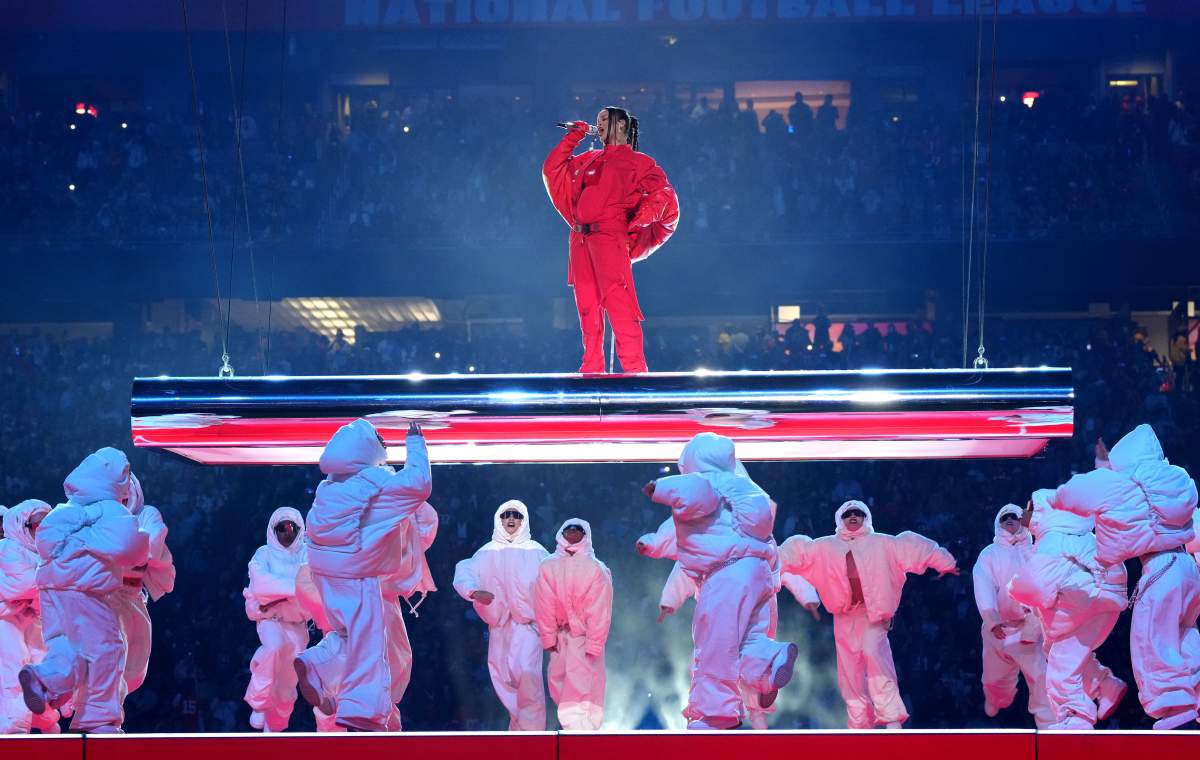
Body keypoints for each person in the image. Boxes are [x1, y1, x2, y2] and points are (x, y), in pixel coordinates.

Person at [642, 432, 797, 730]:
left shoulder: (706, 482)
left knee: (715, 645)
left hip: (725, 574)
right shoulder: (745, 487)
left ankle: (717, 715)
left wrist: (660, 488)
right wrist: (653, 542)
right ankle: (770, 659)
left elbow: (693, 496)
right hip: (757, 571)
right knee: (744, 642)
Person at [1051, 426, 1200, 730]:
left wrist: (1103, 470)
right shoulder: (1176, 478)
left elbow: (1068, 496)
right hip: (1186, 567)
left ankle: (1175, 713)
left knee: (1151, 641)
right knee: (1184, 634)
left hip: (1159, 570)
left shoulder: (1122, 483)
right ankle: (1194, 697)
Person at [294, 420, 431, 732]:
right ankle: (363, 713)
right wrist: (416, 444)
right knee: (370, 645)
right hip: (358, 575)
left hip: (325, 573)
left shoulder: (328, 486)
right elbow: (420, 484)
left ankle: (315, 664)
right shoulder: (375, 484)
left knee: (348, 636)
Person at [779, 500, 958, 729]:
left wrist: (945, 562)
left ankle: (891, 717)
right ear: (839, 519)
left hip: (874, 615)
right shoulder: (824, 547)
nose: (853, 517)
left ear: (866, 517)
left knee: (875, 655)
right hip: (844, 616)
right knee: (850, 672)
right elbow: (792, 553)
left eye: (858, 513)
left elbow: (915, 547)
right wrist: (768, 562)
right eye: (848, 514)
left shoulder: (883, 543)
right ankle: (859, 723)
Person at [19, 447, 150, 733]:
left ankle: (44, 679)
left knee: (69, 647)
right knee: (108, 649)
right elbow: (132, 548)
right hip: (86, 592)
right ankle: (99, 719)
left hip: (53, 591)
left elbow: (46, 542)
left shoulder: (64, 510)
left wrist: (78, 542)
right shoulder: (109, 509)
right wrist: (90, 543)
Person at [542, 106, 679, 373]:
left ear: (621, 126)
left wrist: (636, 221)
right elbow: (552, 168)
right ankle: (592, 367)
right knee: (587, 306)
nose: (599, 123)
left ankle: (635, 370)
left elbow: (663, 194)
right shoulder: (589, 159)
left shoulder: (640, 163)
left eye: (605, 119)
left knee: (619, 304)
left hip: (609, 236)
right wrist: (573, 138)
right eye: (598, 120)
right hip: (580, 239)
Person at [1008, 489, 1128, 729]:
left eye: (1028, 509)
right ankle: (1105, 685)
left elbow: (1034, 585)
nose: (1024, 515)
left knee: (1061, 666)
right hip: (1100, 601)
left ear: (1041, 510)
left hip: (1085, 601)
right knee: (1063, 651)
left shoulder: (1054, 539)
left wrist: (1014, 587)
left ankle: (1076, 718)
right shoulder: (1079, 535)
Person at [453, 500, 549, 731]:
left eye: (516, 515)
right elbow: (464, 571)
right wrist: (474, 591)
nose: (511, 519)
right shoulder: (486, 552)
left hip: (528, 626)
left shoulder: (537, 551)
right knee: (503, 680)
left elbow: (554, 579)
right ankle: (519, 734)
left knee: (527, 677)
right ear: (499, 518)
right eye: (507, 514)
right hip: (498, 626)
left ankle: (533, 736)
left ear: (523, 519)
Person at [972, 504, 1054, 728]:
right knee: (994, 680)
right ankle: (997, 699)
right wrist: (992, 621)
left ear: (1022, 520)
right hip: (999, 628)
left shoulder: (1037, 549)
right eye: (1004, 517)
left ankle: (1048, 724)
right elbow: (982, 586)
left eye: (1014, 516)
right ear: (998, 523)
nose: (1009, 519)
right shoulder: (990, 553)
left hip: (1030, 627)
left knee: (1040, 676)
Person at [534, 519, 612, 730]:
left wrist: (594, 642)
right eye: (568, 528)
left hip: (584, 635)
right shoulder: (548, 566)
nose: (573, 532)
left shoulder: (596, 568)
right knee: (557, 681)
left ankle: (581, 732)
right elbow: (544, 603)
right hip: (560, 635)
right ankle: (575, 729)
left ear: (586, 534)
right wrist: (548, 636)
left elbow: (600, 608)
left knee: (583, 684)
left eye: (578, 529)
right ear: (561, 532)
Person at [244, 507, 314, 732]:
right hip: (270, 620)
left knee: (288, 678)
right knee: (274, 647)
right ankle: (259, 702)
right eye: (281, 527)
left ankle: (275, 725)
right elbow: (261, 585)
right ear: (273, 529)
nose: (287, 532)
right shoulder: (263, 553)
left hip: (297, 624)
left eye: (291, 527)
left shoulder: (306, 553)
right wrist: (294, 588)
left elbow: (309, 587)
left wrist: (277, 592)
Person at [110, 473, 175, 697]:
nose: (123, 497)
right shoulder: (98, 518)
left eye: (126, 491)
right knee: (112, 650)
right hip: (105, 597)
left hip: (135, 596)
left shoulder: (147, 514)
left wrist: (125, 554)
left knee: (136, 662)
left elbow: (153, 542)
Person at [378, 499, 439, 731]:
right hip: (361, 596)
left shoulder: (400, 519)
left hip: (385, 600)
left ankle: (387, 725)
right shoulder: (359, 512)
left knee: (397, 659)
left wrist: (403, 492)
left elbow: (426, 524)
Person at [0, 500, 61, 734]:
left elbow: (47, 593)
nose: (42, 530)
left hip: (30, 617)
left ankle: (45, 720)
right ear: (23, 526)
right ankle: (14, 727)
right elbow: (19, 587)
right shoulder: (8, 548)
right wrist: (44, 584)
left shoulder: (44, 555)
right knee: (15, 665)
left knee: (41, 666)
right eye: (38, 525)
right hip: (6, 620)